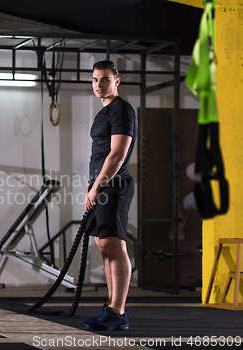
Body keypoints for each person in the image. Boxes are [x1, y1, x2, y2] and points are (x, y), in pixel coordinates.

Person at [83, 60, 137, 331]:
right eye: (94, 80)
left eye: (104, 79)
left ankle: (118, 310)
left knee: (115, 247)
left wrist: (97, 187)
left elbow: (117, 155)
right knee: (104, 247)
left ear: (117, 81)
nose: (98, 85)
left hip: (114, 186)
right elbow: (99, 154)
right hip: (101, 186)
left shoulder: (122, 110)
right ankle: (112, 308)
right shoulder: (103, 112)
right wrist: (91, 186)